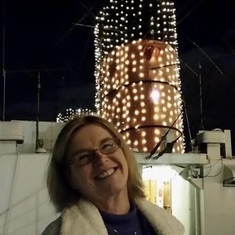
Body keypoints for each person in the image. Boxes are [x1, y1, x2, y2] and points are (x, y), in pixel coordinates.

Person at [42, 115, 185, 235]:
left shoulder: (169, 226)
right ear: (69, 177)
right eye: (84, 156)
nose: (101, 158)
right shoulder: (57, 232)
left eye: (107, 145)